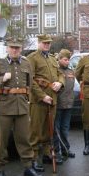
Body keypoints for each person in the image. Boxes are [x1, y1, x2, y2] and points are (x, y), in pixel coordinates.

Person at [0, 38, 43, 176]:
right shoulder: (0, 63)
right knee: (1, 141)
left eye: (17, 48)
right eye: (12, 48)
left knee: (24, 138)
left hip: (22, 107)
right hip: (4, 107)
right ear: (8, 48)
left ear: (21, 49)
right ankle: (0, 170)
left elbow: (29, 84)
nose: (15, 50)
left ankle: (28, 167)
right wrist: (1, 79)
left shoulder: (26, 63)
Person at [27, 34, 65, 169]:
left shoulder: (52, 58)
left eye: (48, 43)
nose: (47, 45)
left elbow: (60, 73)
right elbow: (29, 80)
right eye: (44, 43)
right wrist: (42, 96)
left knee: (49, 128)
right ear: (39, 43)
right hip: (39, 100)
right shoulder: (32, 58)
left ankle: (48, 153)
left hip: (52, 98)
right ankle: (34, 158)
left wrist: (60, 83)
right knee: (36, 130)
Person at [53, 49, 75, 164]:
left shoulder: (71, 71)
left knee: (65, 129)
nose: (67, 62)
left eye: (68, 60)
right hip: (58, 104)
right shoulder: (55, 71)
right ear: (60, 59)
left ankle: (66, 149)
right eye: (65, 60)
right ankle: (56, 152)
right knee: (56, 130)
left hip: (68, 104)